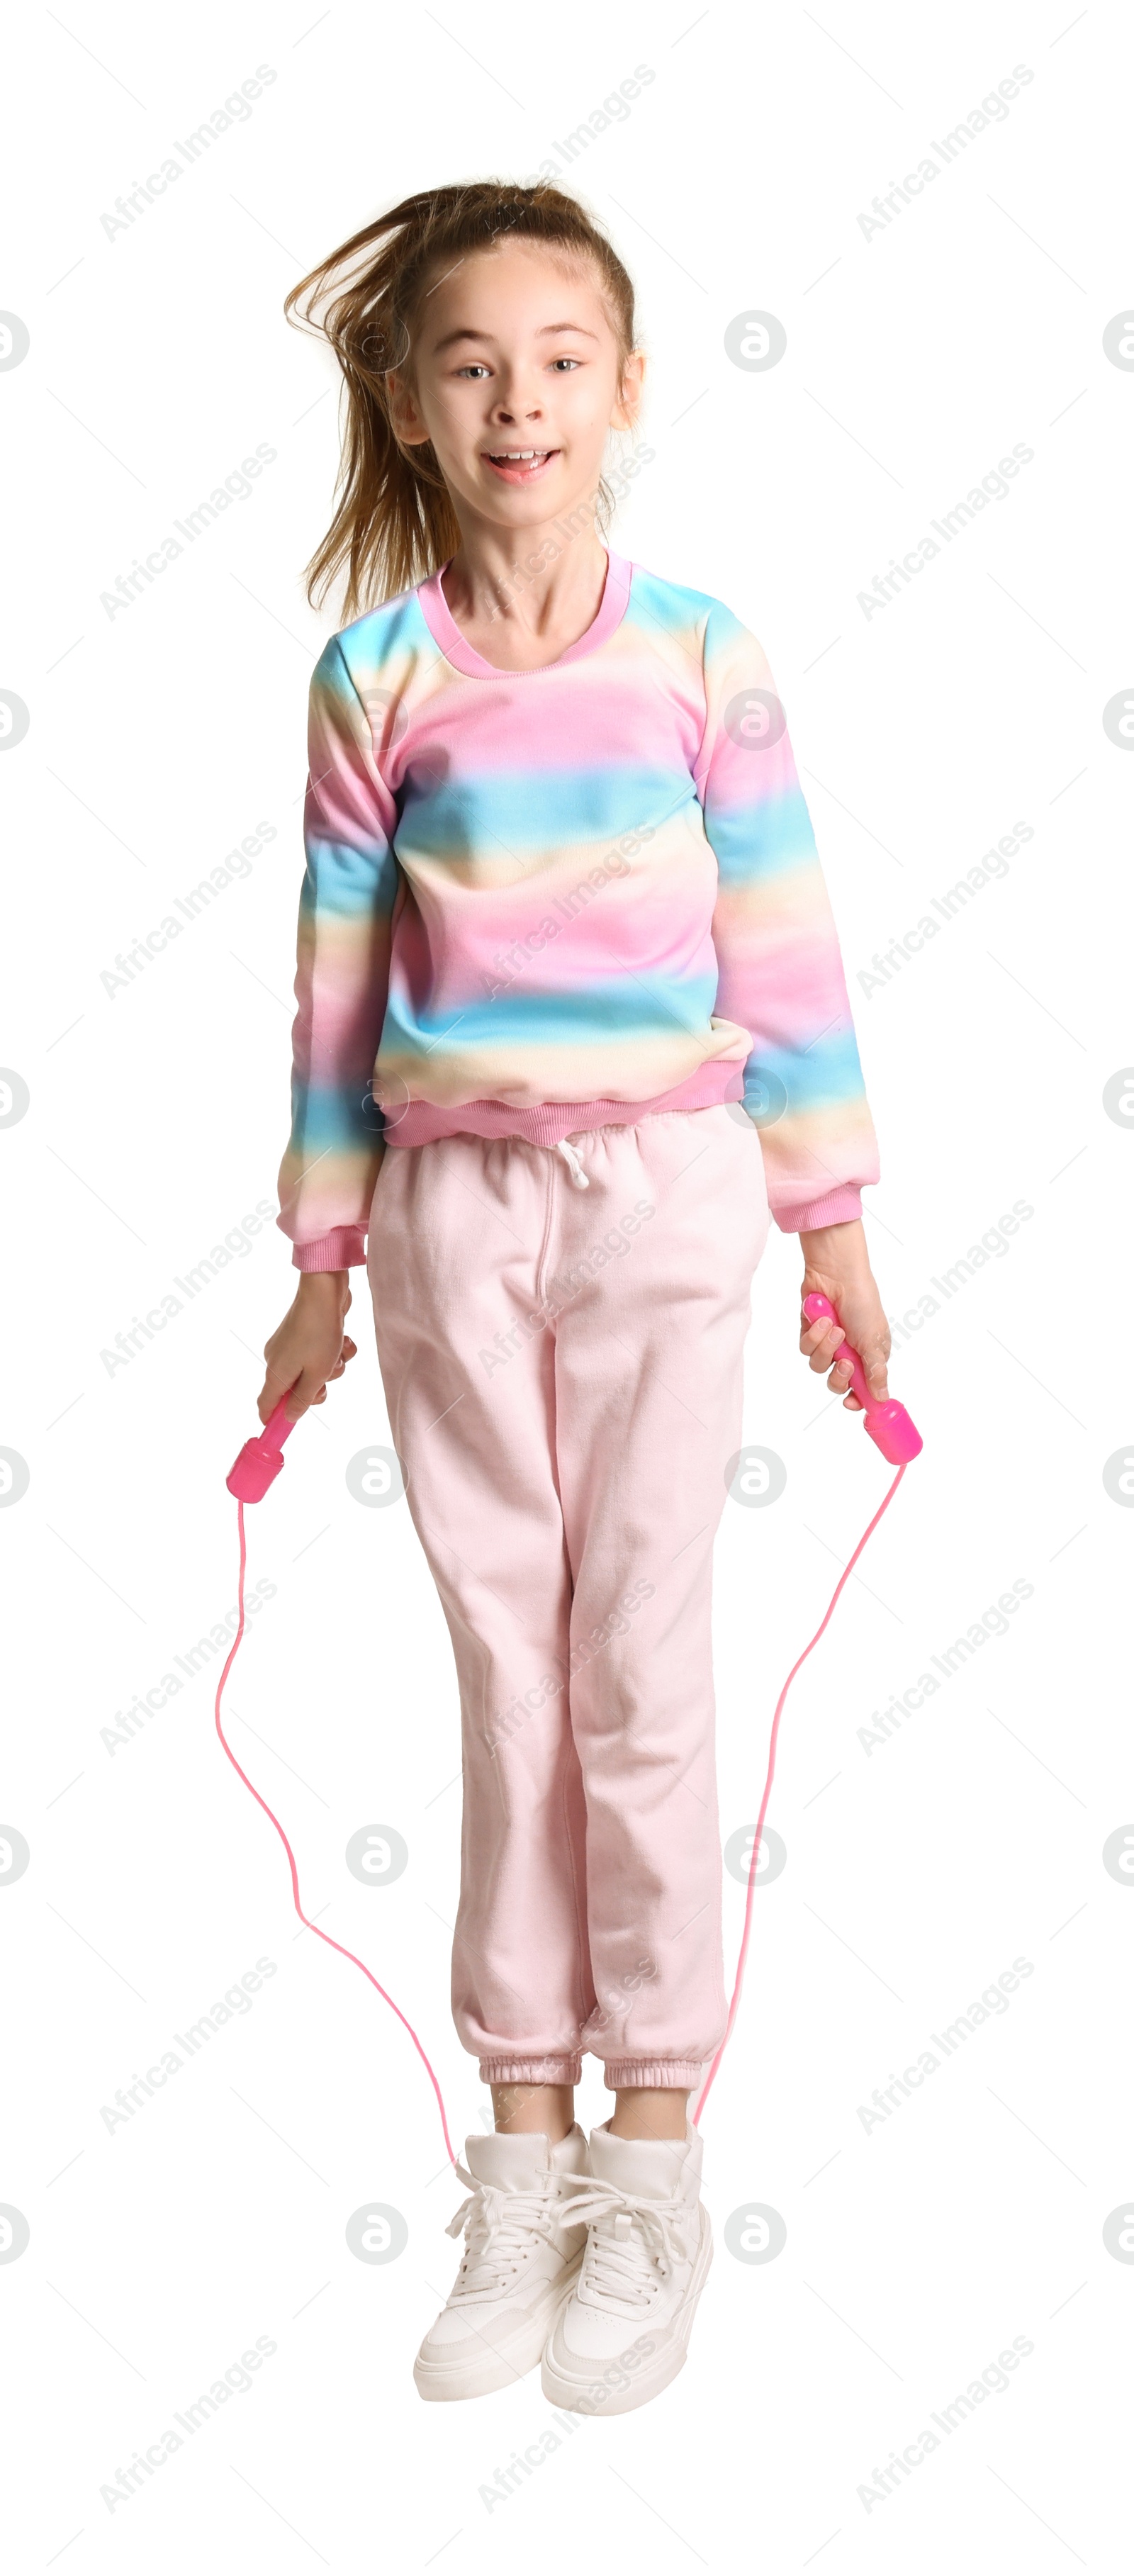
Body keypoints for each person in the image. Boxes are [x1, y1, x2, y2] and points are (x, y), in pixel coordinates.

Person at [258, 179, 889, 2412]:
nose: (516, 395)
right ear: (409, 408)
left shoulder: (704, 657)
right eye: (465, 361)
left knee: (640, 1659)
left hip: (669, 1201)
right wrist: (320, 1267)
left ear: (626, 389)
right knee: (503, 1673)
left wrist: (836, 1230)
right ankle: (518, 2154)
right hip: (448, 1216)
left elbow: (791, 962)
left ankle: (654, 2161)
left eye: (558, 355)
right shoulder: (376, 677)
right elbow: (339, 999)